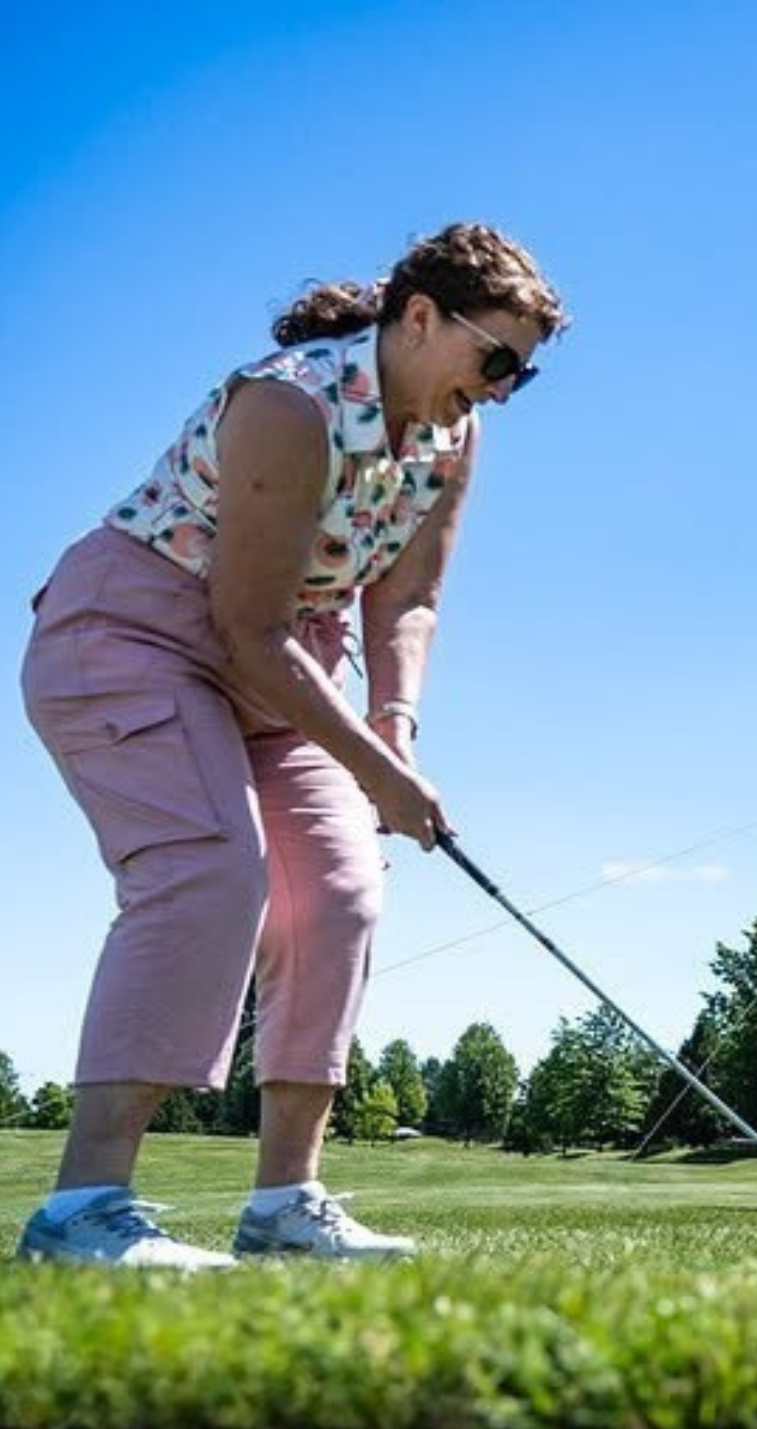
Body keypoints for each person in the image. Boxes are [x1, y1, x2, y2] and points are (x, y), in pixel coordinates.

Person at [15, 222, 567, 1267]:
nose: (498, 388)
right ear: (416, 318)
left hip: (281, 669)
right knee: (211, 872)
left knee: (341, 889)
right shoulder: (287, 402)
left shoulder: (453, 440)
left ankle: (284, 1206)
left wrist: (395, 739)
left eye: (520, 377)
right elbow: (247, 628)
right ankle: (81, 1208)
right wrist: (377, 768)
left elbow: (406, 600)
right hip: (133, 636)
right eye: (492, 359)